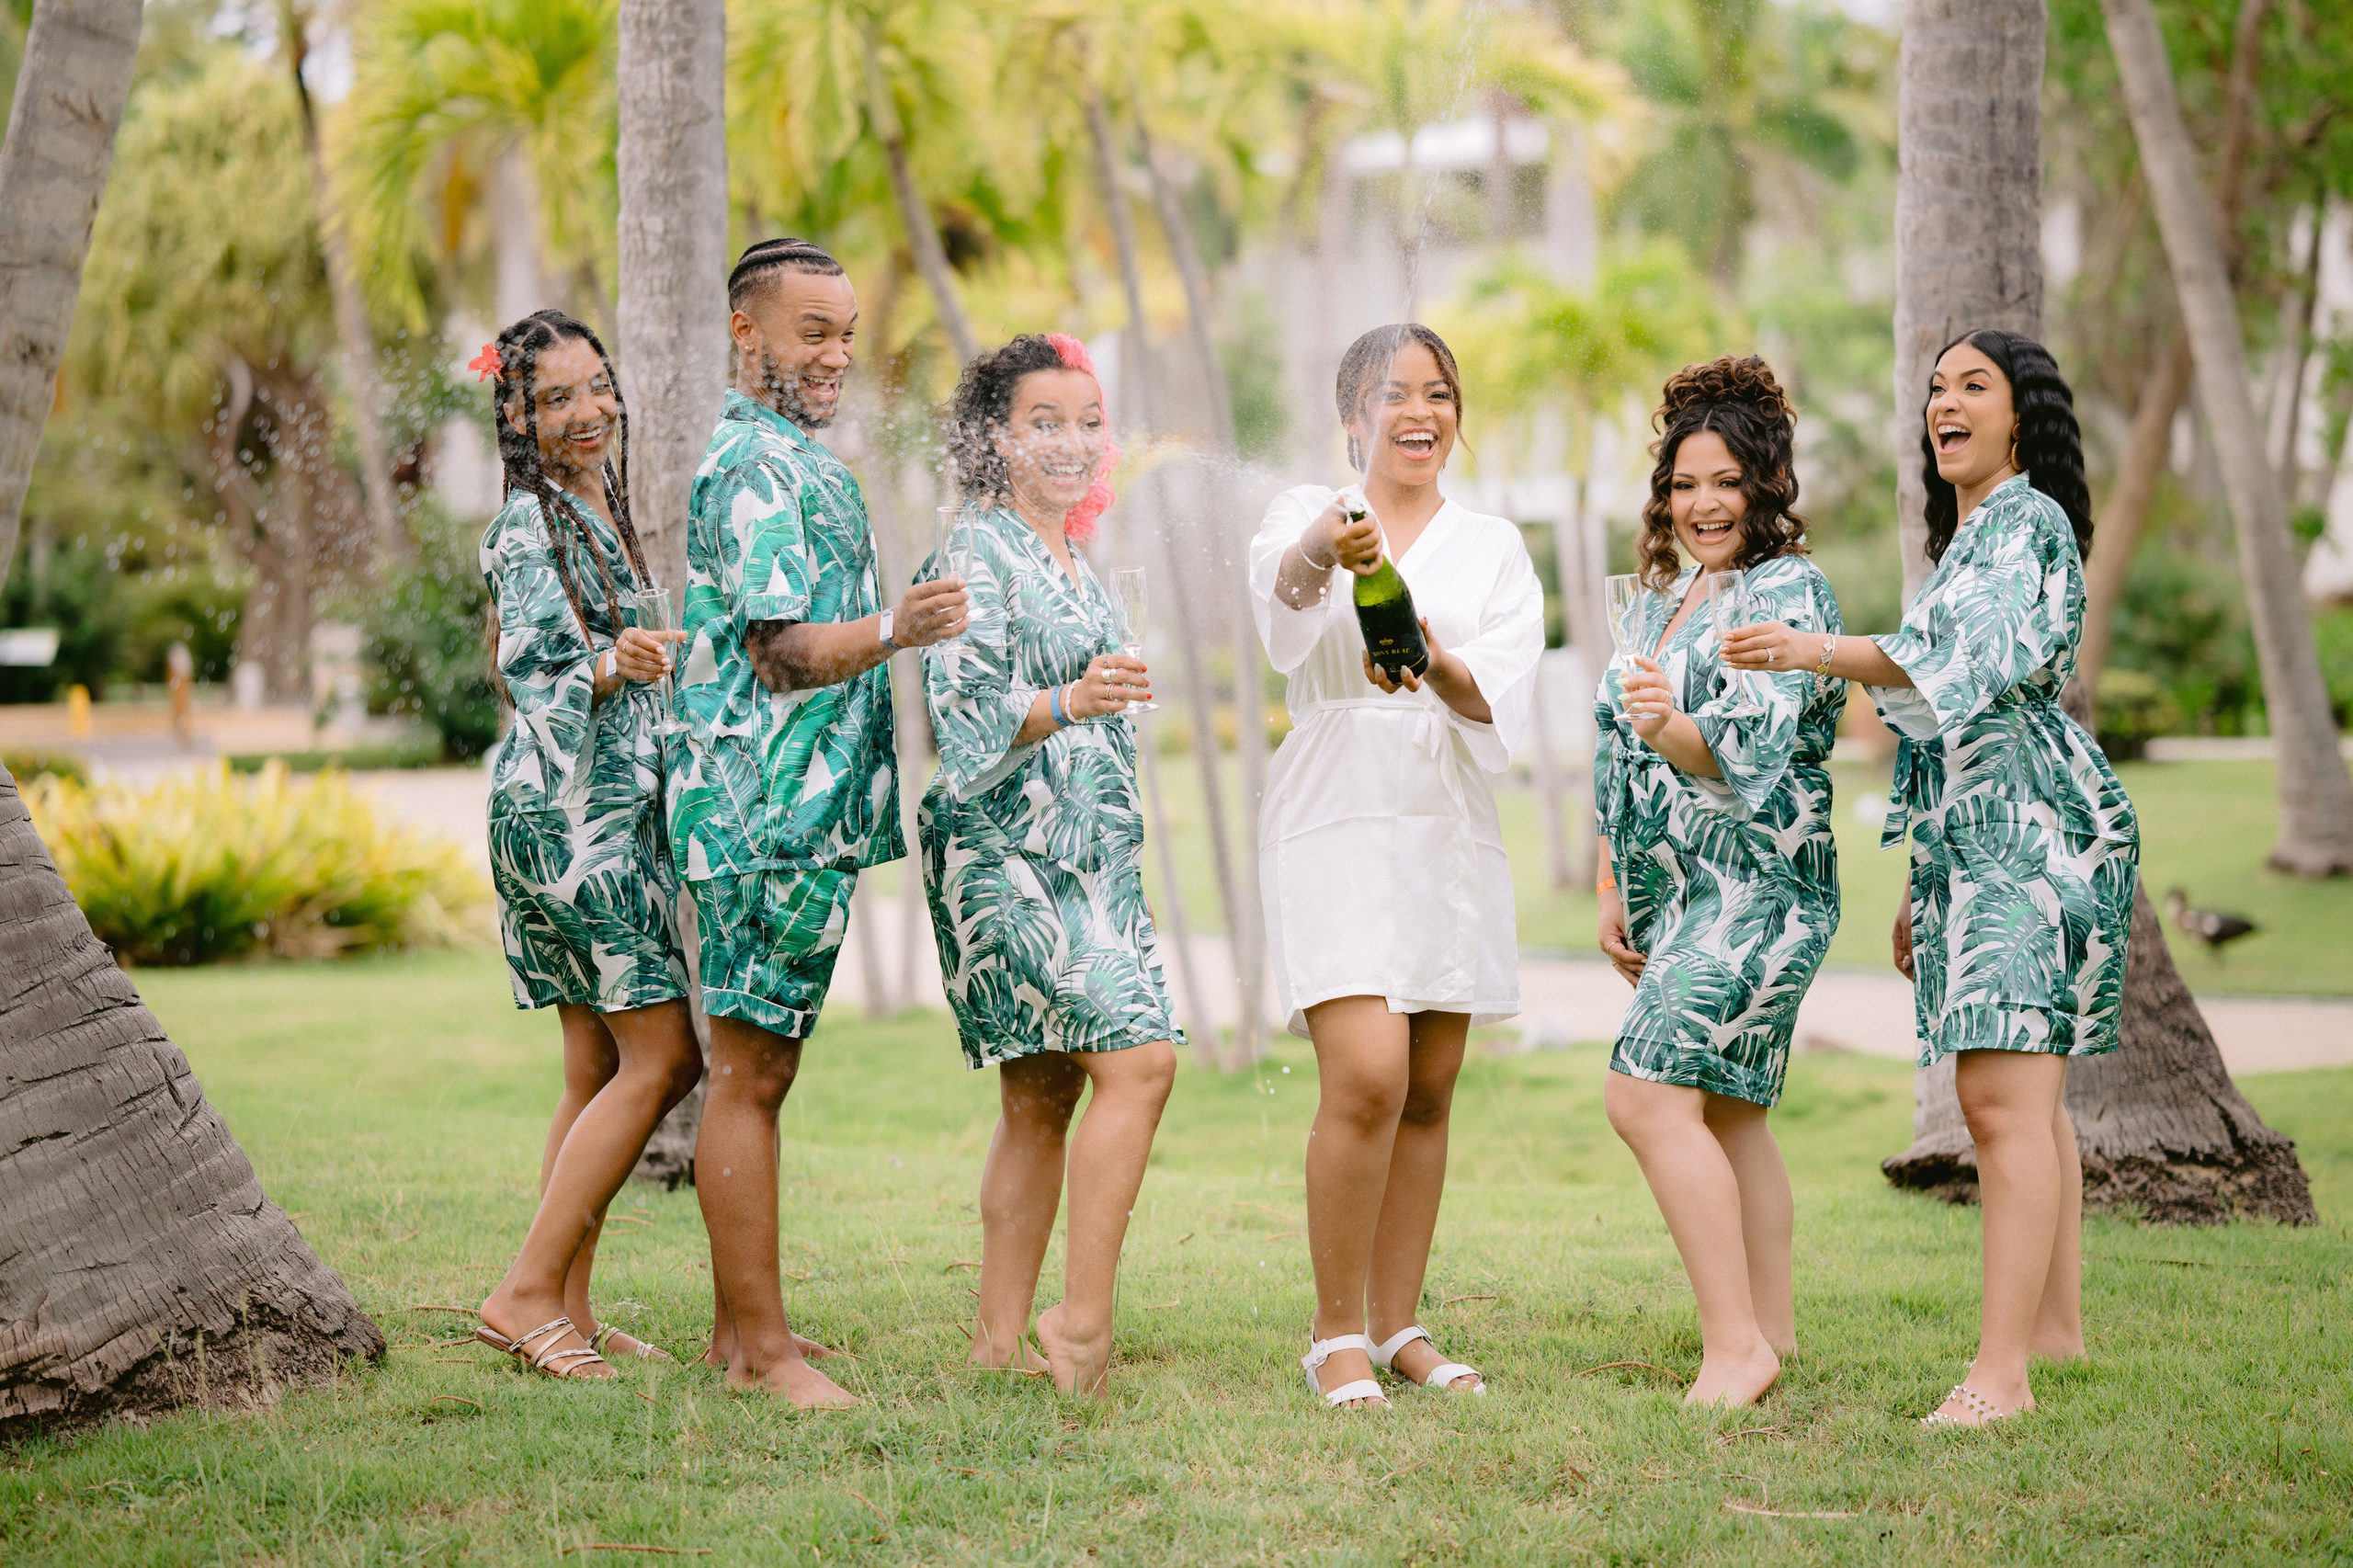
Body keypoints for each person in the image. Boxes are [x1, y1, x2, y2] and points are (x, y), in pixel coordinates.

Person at [1722, 329, 2138, 1427]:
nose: (1944, 402)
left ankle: (2000, 1378)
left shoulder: (2024, 519)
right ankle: (2052, 1333)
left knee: (2001, 1101)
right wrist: (1926, 876)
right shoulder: (1973, 538)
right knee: (2025, 1100)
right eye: (1936, 388)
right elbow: (1945, 717)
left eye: (1974, 386)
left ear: (2021, 416)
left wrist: (1810, 650)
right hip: (1980, 832)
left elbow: (1939, 664)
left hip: (2029, 826)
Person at [666, 239, 970, 1408]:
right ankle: (769, 1354)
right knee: (751, 1071)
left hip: (793, 813)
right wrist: (898, 628)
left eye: (845, 331)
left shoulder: (791, 458)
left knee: (760, 1066)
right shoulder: (754, 466)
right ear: (747, 334)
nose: (837, 352)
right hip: (760, 812)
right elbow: (780, 652)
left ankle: (737, 1334)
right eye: (812, 332)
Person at [1248, 324, 1545, 1409]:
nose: (1419, 413)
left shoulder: (1496, 544)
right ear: (1349, 418)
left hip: (1446, 816)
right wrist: (1334, 544)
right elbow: (1285, 594)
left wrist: (1426, 649)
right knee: (1367, 1071)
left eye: (1439, 393)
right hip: (1336, 806)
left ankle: (1395, 1322)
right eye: (1392, 394)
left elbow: (1493, 689)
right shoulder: (1306, 510)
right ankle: (1333, 1333)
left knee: (1425, 1088)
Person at [916, 333, 1177, 1398]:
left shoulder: (1068, 551)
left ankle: (995, 1337)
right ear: (995, 435)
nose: (1072, 441)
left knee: (1039, 1095)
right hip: (1008, 855)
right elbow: (963, 715)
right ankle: (1080, 1323)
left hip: (1086, 855)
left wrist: (1099, 696)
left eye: (1086, 421)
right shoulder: (973, 551)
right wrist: (1075, 699)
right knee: (1141, 1061)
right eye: (1044, 421)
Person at [1595, 356, 1846, 1409]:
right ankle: (1769, 1332)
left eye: (1725, 481)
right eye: (1686, 483)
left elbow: (1738, 748)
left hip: (1763, 888)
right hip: (1684, 893)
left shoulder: (1784, 591)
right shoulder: (1657, 603)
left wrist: (1669, 725)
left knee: (1645, 1095)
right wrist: (1616, 879)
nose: (1703, 503)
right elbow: (1622, 748)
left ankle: (1733, 1345)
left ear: (1765, 484)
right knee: (1731, 1109)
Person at [471, 310, 700, 1380]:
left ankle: (566, 1302)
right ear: (517, 416)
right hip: (573, 823)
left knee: (594, 1060)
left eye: (595, 386)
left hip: (579, 815)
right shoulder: (527, 523)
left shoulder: (586, 509)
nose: (588, 411)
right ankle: (522, 1290)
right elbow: (534, 675)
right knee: (666, 1057)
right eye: (556, 398)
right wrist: (617, 664)